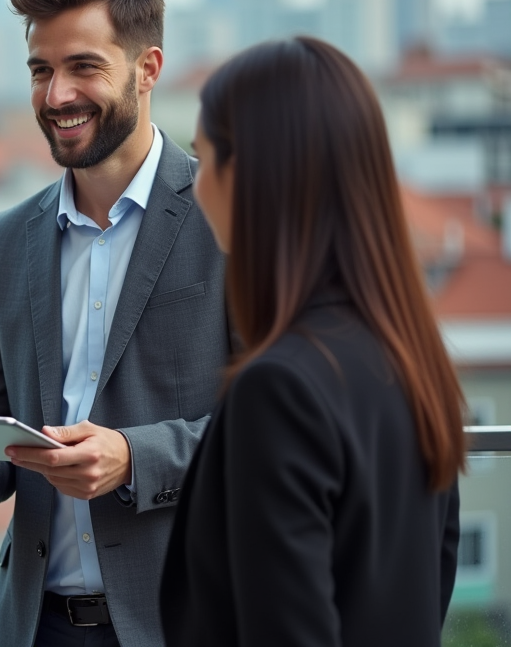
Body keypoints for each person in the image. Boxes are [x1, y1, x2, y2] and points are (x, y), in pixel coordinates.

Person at [0, 0, 230, 647]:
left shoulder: (230, 214)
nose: (56, 95)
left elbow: (279, 425)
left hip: (185, 617)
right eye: (39, 71)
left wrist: (137, 458)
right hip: (35, 626)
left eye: (83, 66)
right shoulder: (4, 240)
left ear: (147, 69)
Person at [159, 37, 465, 647]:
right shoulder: (408, 358)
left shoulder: (280, 389)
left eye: (203, 159)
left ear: (242, 173)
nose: (195, 188)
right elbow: (432, 581)